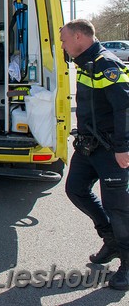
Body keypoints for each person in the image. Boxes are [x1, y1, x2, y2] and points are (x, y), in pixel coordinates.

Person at [60, 19, 129, 291]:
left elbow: (124, 108)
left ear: (79, 36)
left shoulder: (107, 64)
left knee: (119, 209)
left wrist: (124, 147)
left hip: (111, 149)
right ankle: (110, 239)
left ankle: (127, 264)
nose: (63, 44)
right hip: (89, 146)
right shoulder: (85, 63)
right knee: (75, 189)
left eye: (65, 39)